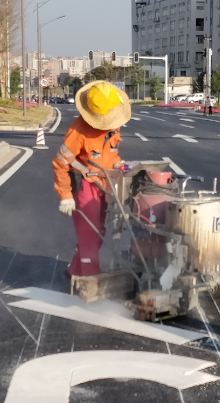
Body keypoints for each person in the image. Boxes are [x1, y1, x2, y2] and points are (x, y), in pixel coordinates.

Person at [53, 81, 131, 278]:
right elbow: (60, 164)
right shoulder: (77, 132)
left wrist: (118, 164)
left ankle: (74, 273)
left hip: (104, 185)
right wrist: (65, 196)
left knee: (99, 233)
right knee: (89, 234)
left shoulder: (113, 127)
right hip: (85, 184)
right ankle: (90, 281)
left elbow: (110, 154)